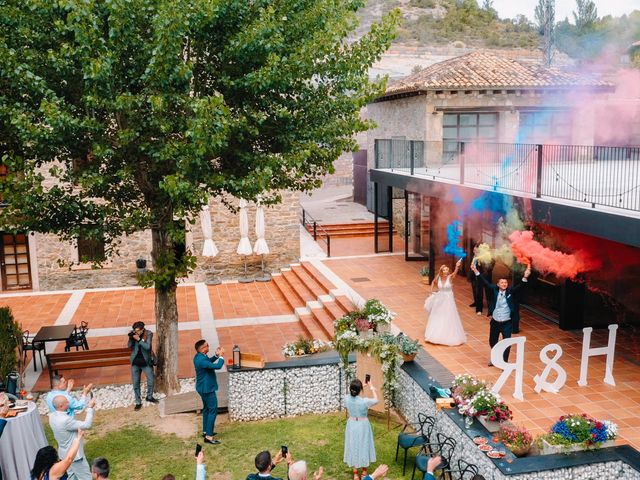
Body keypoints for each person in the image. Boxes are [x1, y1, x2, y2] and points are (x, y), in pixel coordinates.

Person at [471, 262, 531, 365]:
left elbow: (520, 286)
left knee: (506, 343)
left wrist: (525, 277)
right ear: (498, 284)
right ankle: (495, 358)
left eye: (506, 283)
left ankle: (504, 362)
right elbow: (484, 282)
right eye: (502, 283)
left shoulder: (511, 291)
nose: (504, 284)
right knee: (492, 341)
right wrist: (475, 270)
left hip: (507, 323)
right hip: (495, 322)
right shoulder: (494, 289)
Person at [49, 395, 95, 480]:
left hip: (63, 453)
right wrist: (90, 408)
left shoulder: (52, 416)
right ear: (61, 406)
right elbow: (87, 425)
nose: (69, 402)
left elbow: (65, 430)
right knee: (86, 477)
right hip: (75, 455)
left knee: (71, 476)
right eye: (66, 402)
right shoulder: (65, 420)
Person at [424, 260, 466, 346]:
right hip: (439, 299)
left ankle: (447, 335)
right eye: (444, 270)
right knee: (437, 314)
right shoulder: (438, 277)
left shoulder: (450, 277)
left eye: (447, 269)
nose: (446, 271)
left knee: (447, 315)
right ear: (441, 271)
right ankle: (434, 333)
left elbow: (455, 273)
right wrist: (431, 291)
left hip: (448, 300)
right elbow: (433, 282)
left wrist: (457, 266)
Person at [343, 378, 378, 480]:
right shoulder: (365, 401)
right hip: (363, 425)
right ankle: (364, 472)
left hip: (352, 424)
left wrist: (361, 385)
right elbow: (376, 399)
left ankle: (355, 473)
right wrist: (371, 387)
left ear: (350, 389)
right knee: (364, 445)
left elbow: (351, 393)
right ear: (360, 390)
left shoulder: (346, 398)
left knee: (352, 444)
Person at [193, 339, 225, 444]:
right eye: (207, 346)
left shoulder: (199, 357)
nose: (209, 347)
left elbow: (208, 363)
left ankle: (206, 430)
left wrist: (215, 356)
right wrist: (221, 356)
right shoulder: (202, 360)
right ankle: (209, 436)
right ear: (202, 349)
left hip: (202, 387)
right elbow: (217, 366)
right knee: (213, 410)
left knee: (206, 409)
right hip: (207, 389)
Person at [128, 321, 158, 410]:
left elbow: (148, 347)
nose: (136, 332)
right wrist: (131, 338)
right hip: (135, 362)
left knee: (151, 379)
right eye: (135, 330)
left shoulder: (148, 334)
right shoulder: (134, 334)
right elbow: (129, 346)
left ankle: (149, 396)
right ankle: (138, 401)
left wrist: (139, 340)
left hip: (146, 361)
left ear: (142, 329)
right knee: (136, 382)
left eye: (138, 331)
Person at [468, 244, 494, 316]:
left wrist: (481, 261)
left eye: (476, 251)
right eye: (474, 250)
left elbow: (490, 268)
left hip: (486, 278)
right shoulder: (474, 257)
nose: (474, 252)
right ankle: (479, 309)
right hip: (476, 278)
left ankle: (491, 310)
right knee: (478, 293)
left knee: (488, 294)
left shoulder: (487, 258)